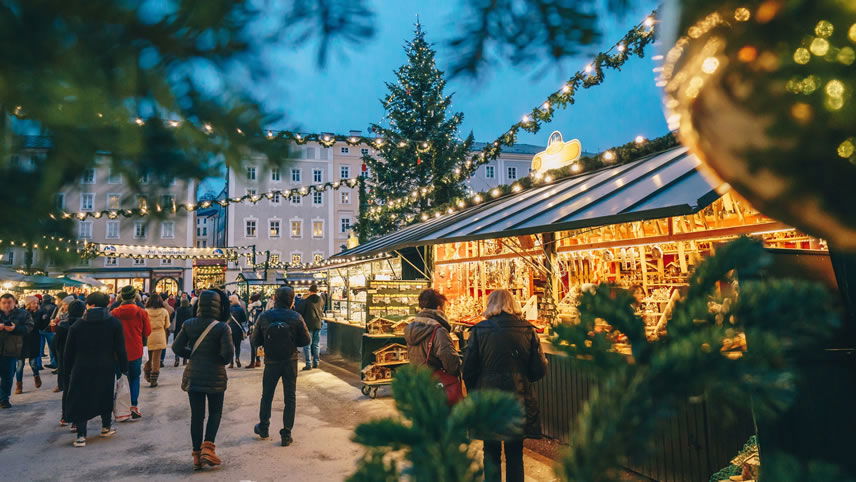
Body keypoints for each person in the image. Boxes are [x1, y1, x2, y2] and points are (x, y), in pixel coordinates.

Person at [462, 289, 548, 482]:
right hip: (517, 397)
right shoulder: (528, 330)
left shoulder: (478, 331)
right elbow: (539, 369)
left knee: (490, 450)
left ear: (490, 305)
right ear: (513, 304)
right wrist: (525, 379)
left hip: (488, 399)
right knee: (515, 452)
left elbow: (468, 369)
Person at [172, 289, 234, 470]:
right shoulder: (222, 327)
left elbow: (176, 347)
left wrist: (191, 354)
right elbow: (227, 355)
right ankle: (209, 447)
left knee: (197, 416)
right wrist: (218, 361)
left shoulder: (189, 323)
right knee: (215, 413)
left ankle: (196, 455)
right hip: (215, 375)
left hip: (194, 374)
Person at [64, 292, 128, 447]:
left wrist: (67, 371)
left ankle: (81, 435)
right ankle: (106, 427)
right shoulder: (114, 323)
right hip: (106, 365)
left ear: (89, 305)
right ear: (106, 305)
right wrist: (124, 368)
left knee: (81, 397)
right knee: (105, 394)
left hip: (82, 366)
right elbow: (120, 349)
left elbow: (68, 352)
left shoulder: (77, 325)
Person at [252, 286, 310, 447]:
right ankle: (286, 433)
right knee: (290, 397)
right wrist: (291, 342)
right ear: (291, 300)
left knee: (267, 395)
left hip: (271, 361)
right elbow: (306, 341)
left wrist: (268, 342)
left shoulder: (265, 316)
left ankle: (263, 427)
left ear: (275, 298)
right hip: (290, 360)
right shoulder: (296, 316)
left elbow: (255, 340)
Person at [111, 286, 151, 419]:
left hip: (117, 352)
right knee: (134, 379)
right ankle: (133, 406)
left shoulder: (114, 312)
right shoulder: (141, 312)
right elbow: (147, 332)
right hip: (135, 350)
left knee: (120, 379)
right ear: (134, 296)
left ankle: (121, 408)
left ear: (121, 297)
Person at [404, 289, 461, 377]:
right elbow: (450, 360)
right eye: (444, 307)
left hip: (417, 379)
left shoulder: (411, 327)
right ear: (439, 308)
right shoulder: (438, 330)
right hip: (436, 382)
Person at [0, 293, 33, 408]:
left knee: (8, 376)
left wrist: (15, 329)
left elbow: (29, 327)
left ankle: (4, 399)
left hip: (12, 349)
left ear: (14, 302)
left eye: (9, 302)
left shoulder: (23, 313)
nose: (7, 305)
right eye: (4, 303)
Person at [55, 299, 85, 425]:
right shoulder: (84, 325)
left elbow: (55, 345)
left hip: (65, 360)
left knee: (67, 389)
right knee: (80, 390)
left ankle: (65, 415)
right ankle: (76, 420)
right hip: (80, 361)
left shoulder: (62, 325)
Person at [16, 296, 43, 394]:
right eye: (33, 303)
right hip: (22, 341)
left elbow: (41, 326)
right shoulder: (20, 313)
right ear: (28, 303)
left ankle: (36, 376)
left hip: (33, 340)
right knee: (20, 365)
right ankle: (19, 386)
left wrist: (45, 318)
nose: (36, 305)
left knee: (33, 363)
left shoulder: (39, 313)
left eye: (37, 303)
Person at [296, 284, 325, 371]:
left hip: (308, 325)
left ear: (310, 291)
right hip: (318, 324)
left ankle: (308, 364)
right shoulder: (321, 300)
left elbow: (299, 311)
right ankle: (316, 362)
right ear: (317, 291)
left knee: (307, 345)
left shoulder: (306, 300)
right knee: (316, 344)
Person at [144, 293, 170, 387]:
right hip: (159, 335)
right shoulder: (164, 311)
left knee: (148, 358)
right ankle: (154, 379)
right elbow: (167, 325)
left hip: (148, 335)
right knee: (156, 359)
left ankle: (147, 374)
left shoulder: (145, 311)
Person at [173, 295, 193, 367]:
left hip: (178, 329)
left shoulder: (178, 310)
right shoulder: (190, 310)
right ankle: (185, 360)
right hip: (187, 330)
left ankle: (177, 359)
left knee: (177, 343)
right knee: (186, 344)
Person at [228, 295, 247, 368]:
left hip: (229, 329)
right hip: (238, 329)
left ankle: (231, 363)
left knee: (231, 346)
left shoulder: (228, 309)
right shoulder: (240, 309)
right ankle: (237, 358)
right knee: (237, 346)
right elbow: (244, 320)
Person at [39, 294, 58, 369]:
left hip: (41, 329)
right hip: (50, 329)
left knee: (40, 348)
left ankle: (38, 365)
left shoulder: (40, 307)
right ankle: (53, 363)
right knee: (52, 347)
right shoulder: (54, 307)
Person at [245, 293, 263, 369]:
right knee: (258, 345)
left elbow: (251, 320)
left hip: (253, 328)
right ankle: (258, 361)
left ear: (252, 300)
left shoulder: (252, 308)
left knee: (252, 346)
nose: (249, 301)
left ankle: (252, 363)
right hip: (259, 328)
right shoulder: (261, 307)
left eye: (250, 299)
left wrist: (250, 330)